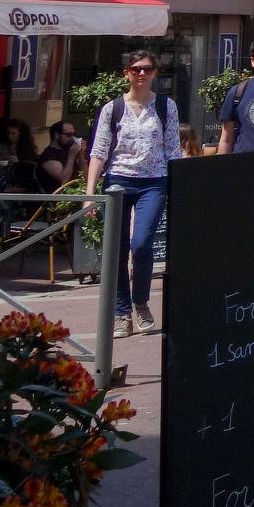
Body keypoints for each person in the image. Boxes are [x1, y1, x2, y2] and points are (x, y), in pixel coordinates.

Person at [84, 50, 183, 336]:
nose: (142, 74)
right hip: (117, 181)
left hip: (154, 181)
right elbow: (99, 151)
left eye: (148, 69)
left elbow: (172, 149)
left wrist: (177, 185)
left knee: (141, 244)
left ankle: (140, 302)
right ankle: (121, 312)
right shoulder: (111, 109)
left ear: (155, 73)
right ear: (126, 72)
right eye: (136, 69)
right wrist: (91, 192)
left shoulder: (166, 106)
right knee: (117, 249)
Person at [37, 120, 88, 189]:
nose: (72, 138)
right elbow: (63, 181)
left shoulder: (70, 150)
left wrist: (81, 155)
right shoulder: (48, 155)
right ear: (57, 135)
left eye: (74, 134)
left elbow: (87, 177)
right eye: (69, 135)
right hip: (56, 197)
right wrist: (72, 156)